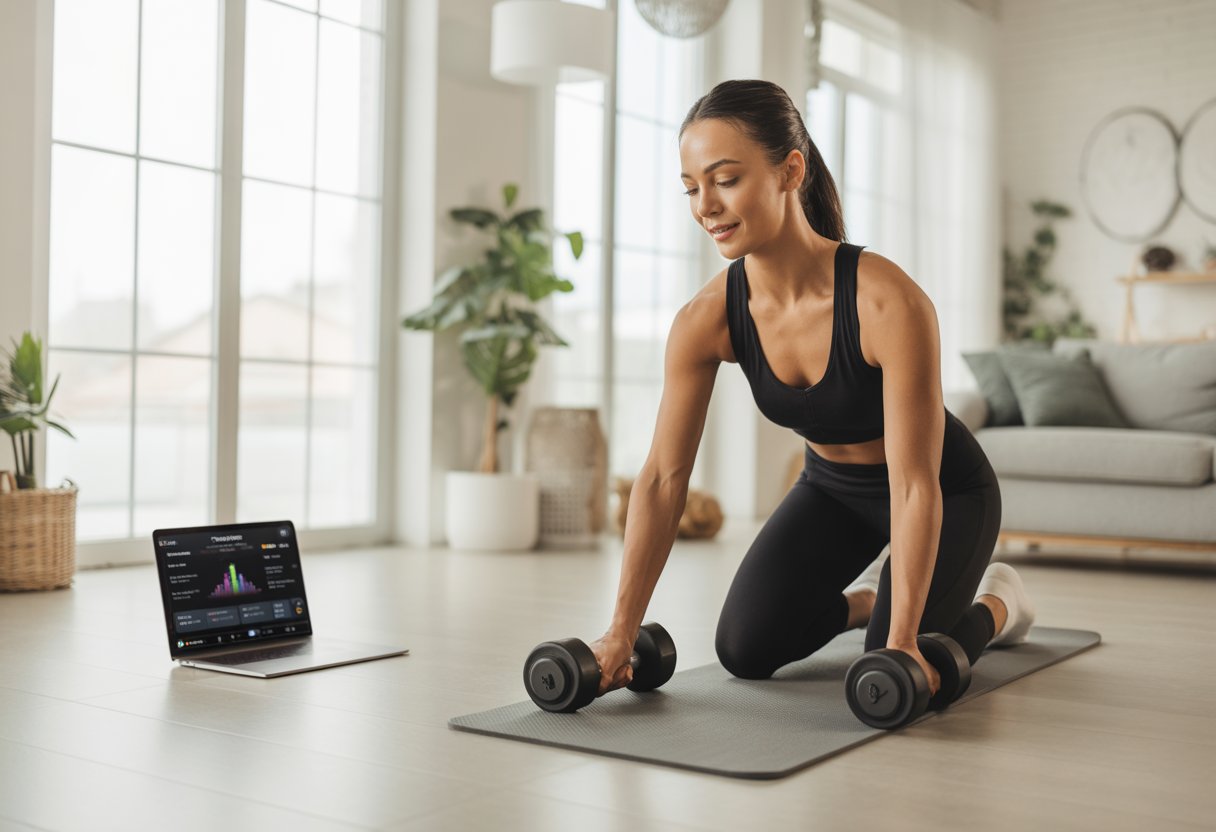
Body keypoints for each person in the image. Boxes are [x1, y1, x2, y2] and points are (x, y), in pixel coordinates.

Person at [590, 79, 1035, 699]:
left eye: (725, 179)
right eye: (692, 187)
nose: (705, 206)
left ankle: (998, 603)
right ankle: (869, 602)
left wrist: (903, 642)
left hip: (943, 489)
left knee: (894, 660)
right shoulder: (706, 319)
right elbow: (664, 477)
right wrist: (619, 631)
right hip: (830, 490)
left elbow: (914, 481)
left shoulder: (886, 301)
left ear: (789, 170)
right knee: (744, 649)